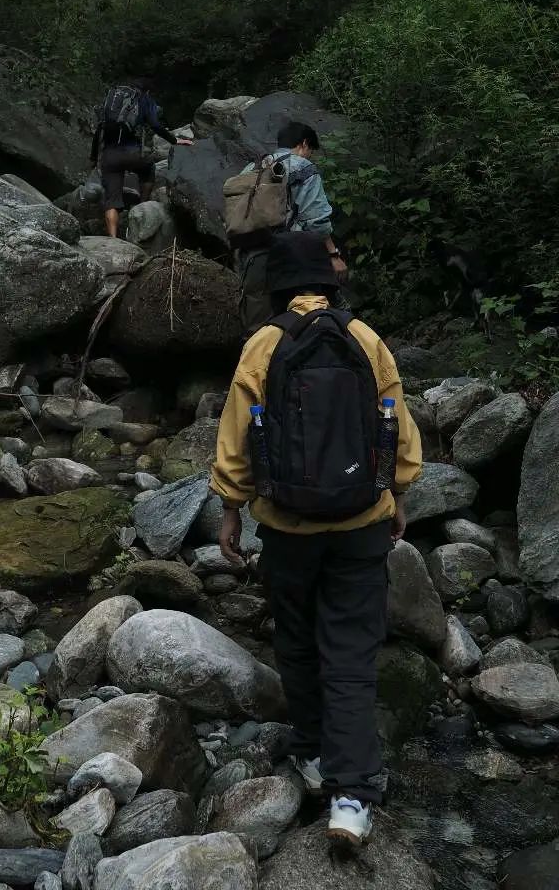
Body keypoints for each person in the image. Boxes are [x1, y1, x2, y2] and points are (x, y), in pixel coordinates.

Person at [211, 232, 421, 848]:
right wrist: (399, 495)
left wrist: (230, 510)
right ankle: (351, 796)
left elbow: (237, 440)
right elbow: (397, 427)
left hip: (287, 527)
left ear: (278, 285)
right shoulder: (365, 339)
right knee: (352, 655)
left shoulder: (264, 344)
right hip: (362, 523)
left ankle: (308, 753)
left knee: (298, 641)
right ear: (328, 284)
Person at [237, 121, 347, 336]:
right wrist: (334, 255)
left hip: (253, 255)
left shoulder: (251, 169)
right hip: (294, 256)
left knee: (261, 329)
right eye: (311, 151)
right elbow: (317, 221)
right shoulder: (302, 167)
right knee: (319, 318)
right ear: (304, 143)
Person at [90, 77, 193, 237]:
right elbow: (155, 125)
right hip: (132, 154)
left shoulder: (113, 100)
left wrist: (93, 157)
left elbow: (100, 129)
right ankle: (141, 207)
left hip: (109, 155)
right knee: (149, 169)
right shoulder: (145, 100)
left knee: (112, 201)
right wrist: (175, 140)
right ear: (148, 90)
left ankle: (113, 240)